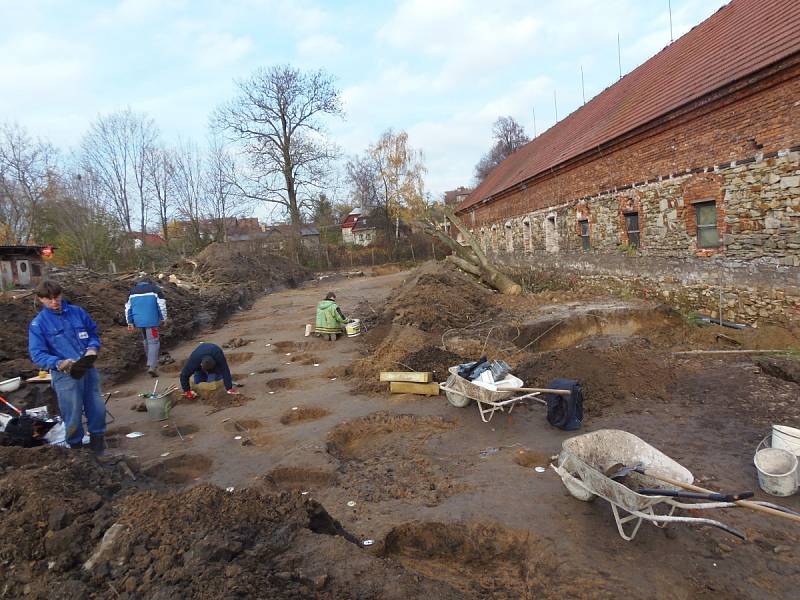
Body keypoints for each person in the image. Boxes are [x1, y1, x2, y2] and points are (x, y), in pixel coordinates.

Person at [28, 280, 106, 453]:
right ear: (41, 299)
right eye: (49, 300)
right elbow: (37, 354)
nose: (54, 302)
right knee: (72, 415)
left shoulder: (77, 313)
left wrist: (92, 348)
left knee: (97, 409)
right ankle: (77, 449)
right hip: (65, 376)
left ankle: (99, 449)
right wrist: (58, 363)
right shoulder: (38, 324)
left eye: (56, 297)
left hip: (87, 368)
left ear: (61, 294)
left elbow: (93, 332)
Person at [125, 278, 167, 377]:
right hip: (151, 321)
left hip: (138, 321)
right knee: (153, 341)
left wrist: (130, 322)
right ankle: (152, 366)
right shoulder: (155, 289)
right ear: (149, 282)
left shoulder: (132, 292)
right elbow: (161, 305)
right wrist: (164, 318)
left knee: (146, 340)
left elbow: (128, 308)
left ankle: (149, 363)